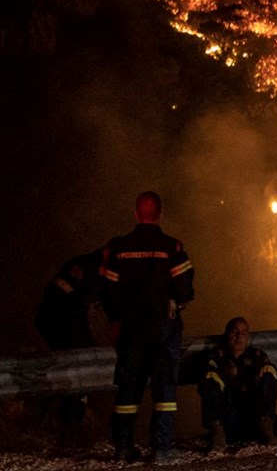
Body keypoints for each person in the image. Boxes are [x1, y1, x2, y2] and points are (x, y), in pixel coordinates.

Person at [99, 191, 194, 464]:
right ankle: (161, 449)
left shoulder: (119, 247)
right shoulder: (171, 247)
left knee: (129, 388)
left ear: (136, 214)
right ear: (160, 214)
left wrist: (115, 318)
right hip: (163, 326)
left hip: (130, 327)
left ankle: (123, 446)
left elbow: (108, 288)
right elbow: (185, 286)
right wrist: (178, 300)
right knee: (164, 387)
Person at [36, 249, 103, 445]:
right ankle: (70, 425)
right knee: (78, 369)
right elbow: (67, 300)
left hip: (64, 321)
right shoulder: (89, 268)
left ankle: (68, 421)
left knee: (79, 367)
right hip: (60, 321)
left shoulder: (89, 266)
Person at [199, 317, 277, 452]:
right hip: (228, 414)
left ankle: (266, 426)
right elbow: (207, 377)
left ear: (248, 336)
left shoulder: (257, 355)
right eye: (235, 332)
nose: (239, 336)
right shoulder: (216, 356)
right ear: (226, 334)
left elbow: (268, 380)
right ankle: (217, 433)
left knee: (269, 370)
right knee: (209, 376)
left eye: (243, 333)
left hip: (252, 413)